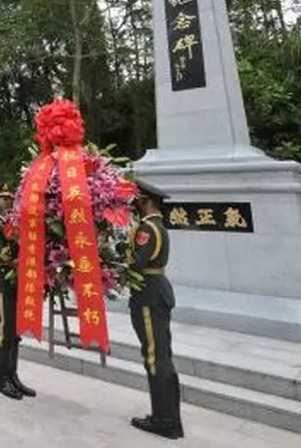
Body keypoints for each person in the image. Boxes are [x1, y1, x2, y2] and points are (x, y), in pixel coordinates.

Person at [127, 178, 183, 440]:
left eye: (138, 199)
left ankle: (165, 420)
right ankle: (168, 416)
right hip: (156, 289)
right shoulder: (158, 225)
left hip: (148, 294)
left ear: (147, 201)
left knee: (154, 356)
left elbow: (137, 262)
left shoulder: (147, 228)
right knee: (160, 354)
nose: (134, 203)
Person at [0, 182, 34, 400]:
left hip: (17, 280)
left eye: (9, 197)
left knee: (16, 331)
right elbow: (1, 255)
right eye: (2, 198)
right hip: (1, 280)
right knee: (5, 329)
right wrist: (17, 240)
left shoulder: (15, 223)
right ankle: (0, 379)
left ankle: (12, 376)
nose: (7, 201)